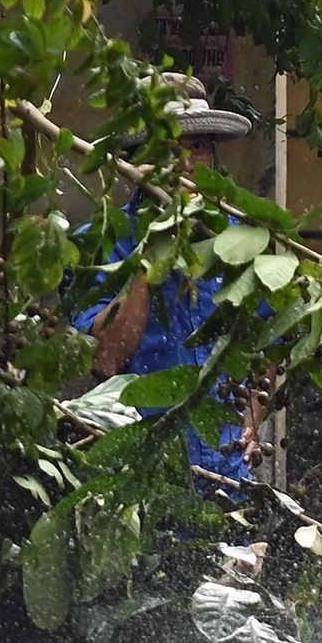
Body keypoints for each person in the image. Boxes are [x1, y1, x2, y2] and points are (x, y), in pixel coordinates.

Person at [77, 75, 266, 486]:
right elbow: (106, 358)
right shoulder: (101, 242)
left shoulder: (240, 241)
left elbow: (266, 347)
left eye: (197, 148)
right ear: (137, 163)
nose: (185, 165)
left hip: (230, 478)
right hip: (142, 477)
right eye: (166, 150)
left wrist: (251, 424)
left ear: (212, 156)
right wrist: (153, 252)